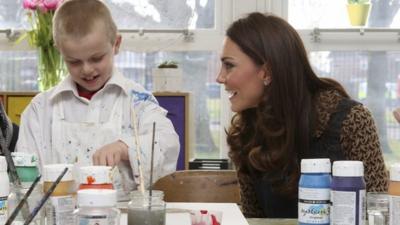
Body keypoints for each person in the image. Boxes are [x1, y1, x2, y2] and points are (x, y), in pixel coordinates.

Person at [216, 12, 388, 218]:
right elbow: (254, 219)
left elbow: (378, 213)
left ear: (267, 71)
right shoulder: (246, 131)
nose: (220, 77)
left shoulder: (353, 120)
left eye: (229, 65)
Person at [16, 0, 180, 199]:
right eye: (74, 61)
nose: (86, 69)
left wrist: (125, 147)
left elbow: (168, 143)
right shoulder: (40, 110)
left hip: (123, 215)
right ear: (61, 52)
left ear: (116, 44)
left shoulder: (137, 101)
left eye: (96, 58)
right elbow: (25, 179)